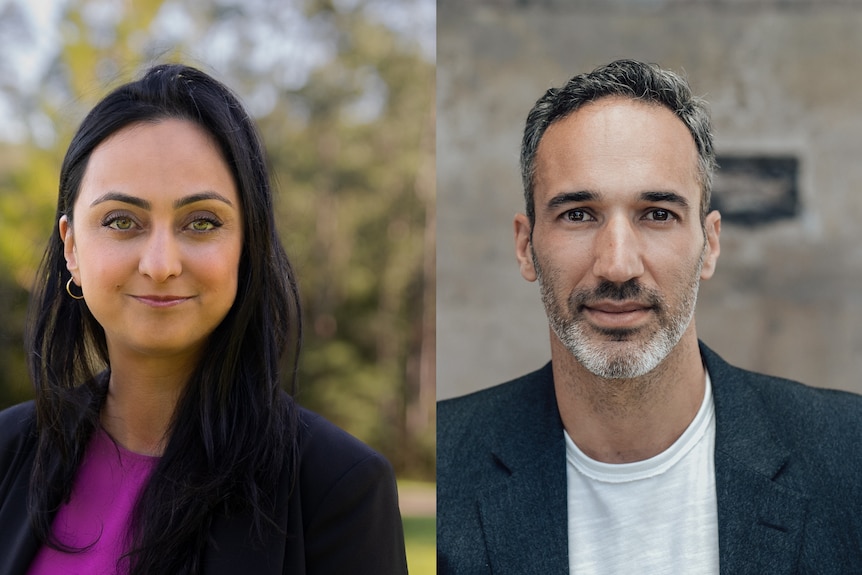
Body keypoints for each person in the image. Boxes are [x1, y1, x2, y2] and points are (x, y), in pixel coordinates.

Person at [437, 59, 862, 574]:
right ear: (526, 246)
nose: (618, 264)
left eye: (658, 214)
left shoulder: (849, 455)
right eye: (578, 214)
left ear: (709, 245)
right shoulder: (448, 463)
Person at [0, 63, 407, 575]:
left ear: (247, 245)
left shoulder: (337, 487)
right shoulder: (9, 453)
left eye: (202, 222)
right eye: (122, 221)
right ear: (72, 247)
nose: (161, 263)